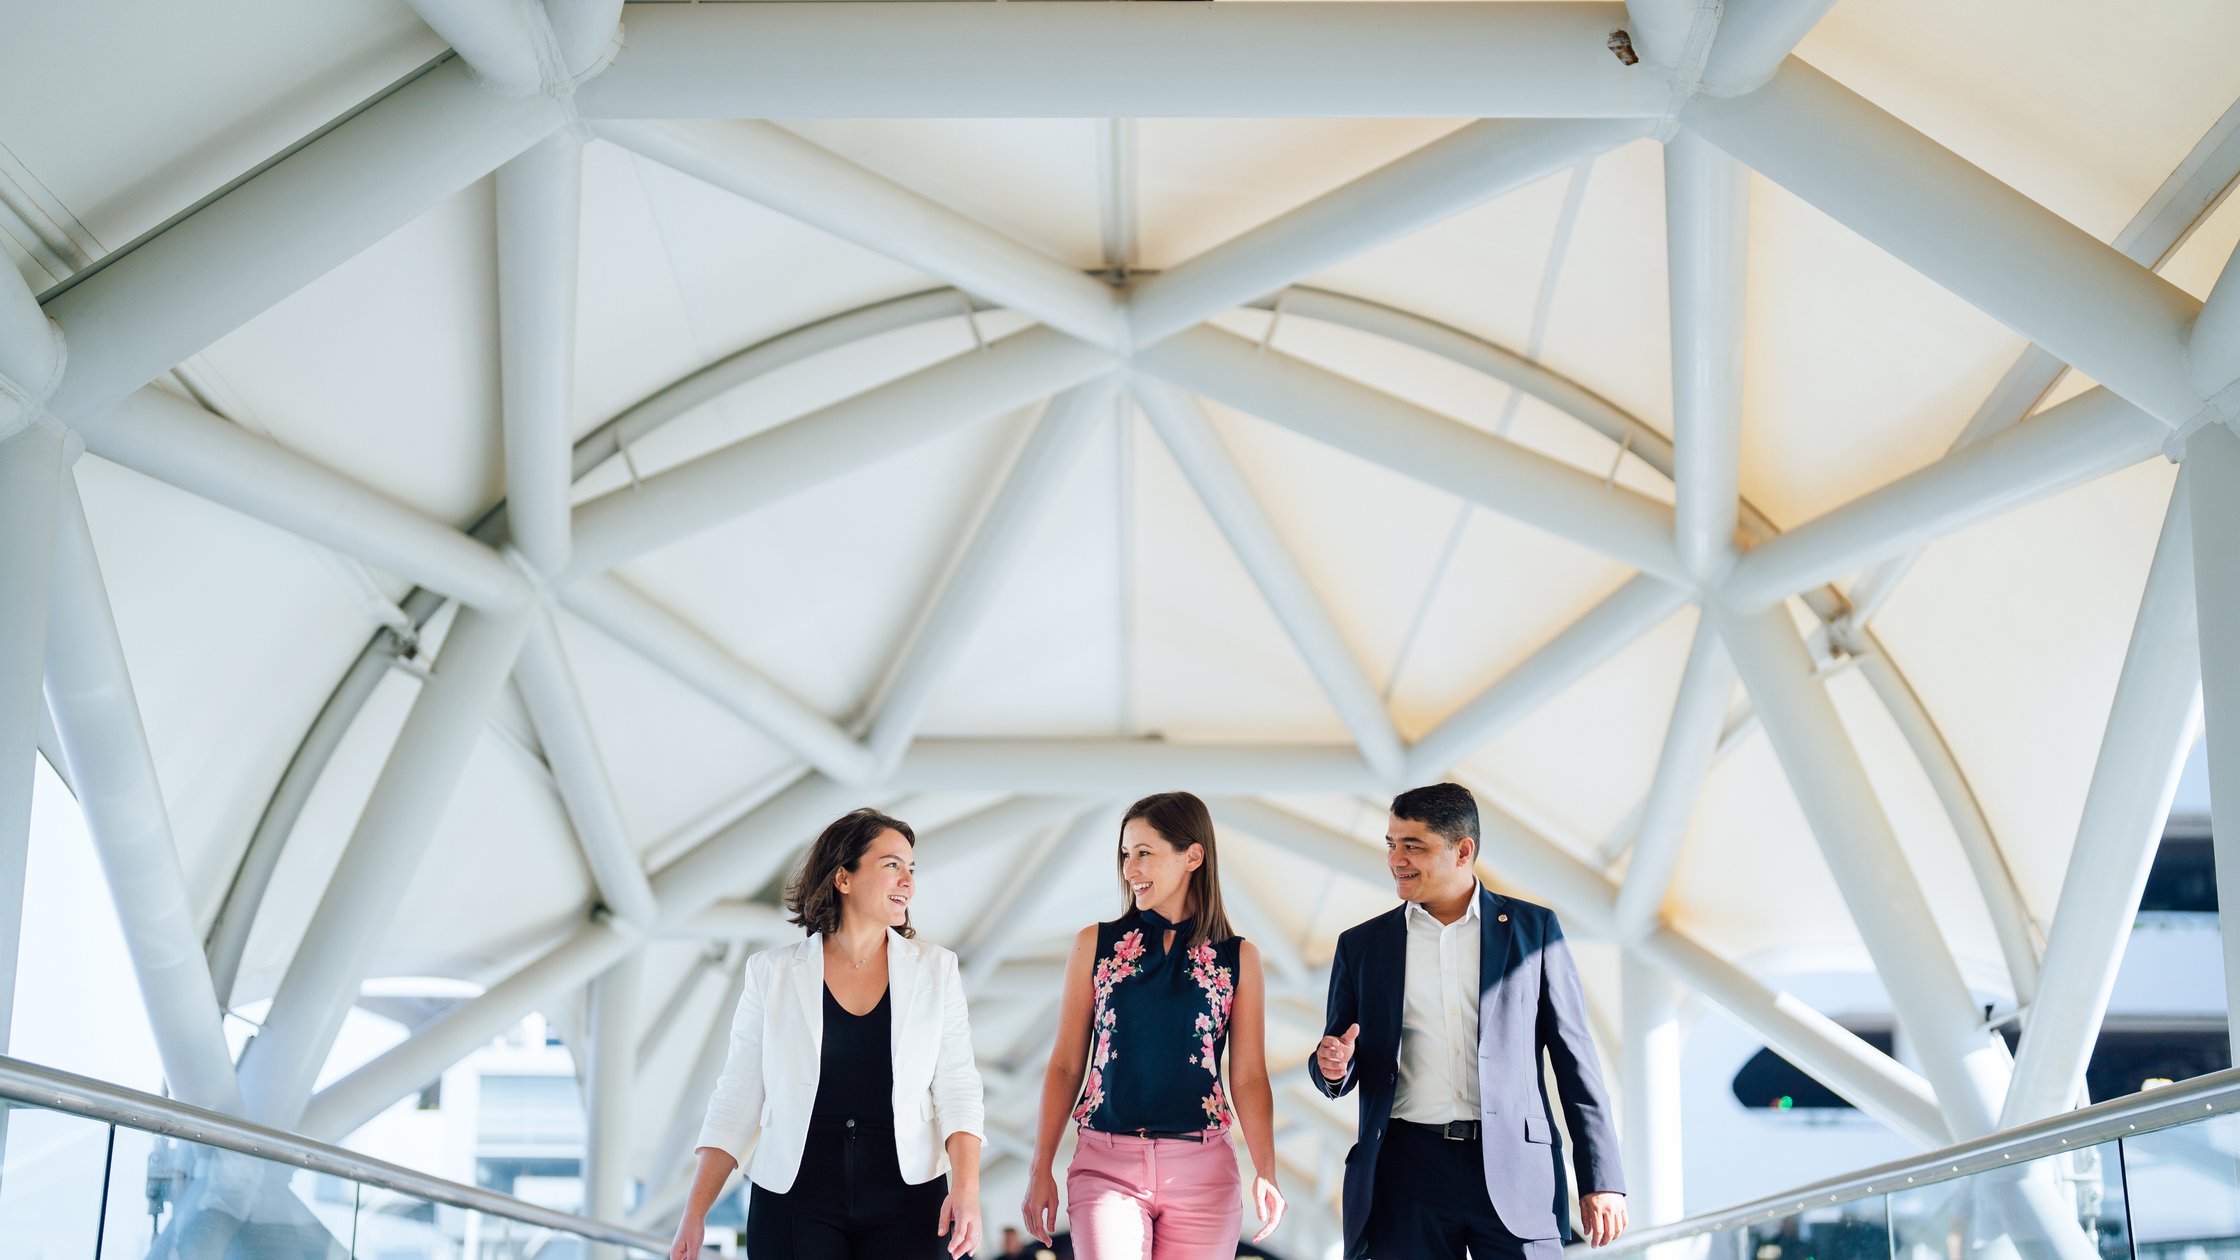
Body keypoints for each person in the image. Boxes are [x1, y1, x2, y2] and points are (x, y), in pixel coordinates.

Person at [1312, 783, 1626, 1260]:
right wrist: (1333, 1068)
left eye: (1413, 845)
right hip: (1406, 1172)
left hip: (1515, 1168)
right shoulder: (1362, 945)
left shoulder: (1534, 931)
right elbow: (1338, 1049)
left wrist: (1601, 1179)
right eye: (1391, 844)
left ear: (1463, 850)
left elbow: (1575, 1061)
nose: (1397, 858)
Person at [667, 808, 985, 1260]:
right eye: (892, 865)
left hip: (907, 1193)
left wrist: (967, 1190)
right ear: (843, 878)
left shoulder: (937, 969)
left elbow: (957, 1087)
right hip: (796, 1193)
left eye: (912, 869)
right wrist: (694, 1213)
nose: (908, 882)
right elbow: (737, 1096)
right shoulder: (771, 973)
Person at [1022, 791, 1286, 1258]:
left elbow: (1248, 1076)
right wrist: (1039, 1167)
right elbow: (1065, 1065)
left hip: (1204, 1171)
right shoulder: (1095, 945)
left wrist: (1266, 1168)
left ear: (1193, 856)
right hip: (1106, 1167)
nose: (1129, 869)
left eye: (1144, 853)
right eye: (1125, 854)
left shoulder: (1238, 958)